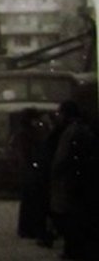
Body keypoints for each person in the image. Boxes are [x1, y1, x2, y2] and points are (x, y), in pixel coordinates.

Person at [49, 100, 94, 259]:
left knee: (70, 217)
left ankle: (73, 250)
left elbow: (62, 157)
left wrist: (55, 173)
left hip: (72, 180)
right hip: (83, 178)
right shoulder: (84, 129)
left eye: (60, 114)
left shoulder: (70, 132)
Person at [11, 108, 51, 240]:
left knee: (28, 201)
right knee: (33, 201)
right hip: (31, 171)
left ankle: (26, 229)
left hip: (28, 171)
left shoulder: (24, 133)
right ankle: (30, 229)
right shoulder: (28, 134)